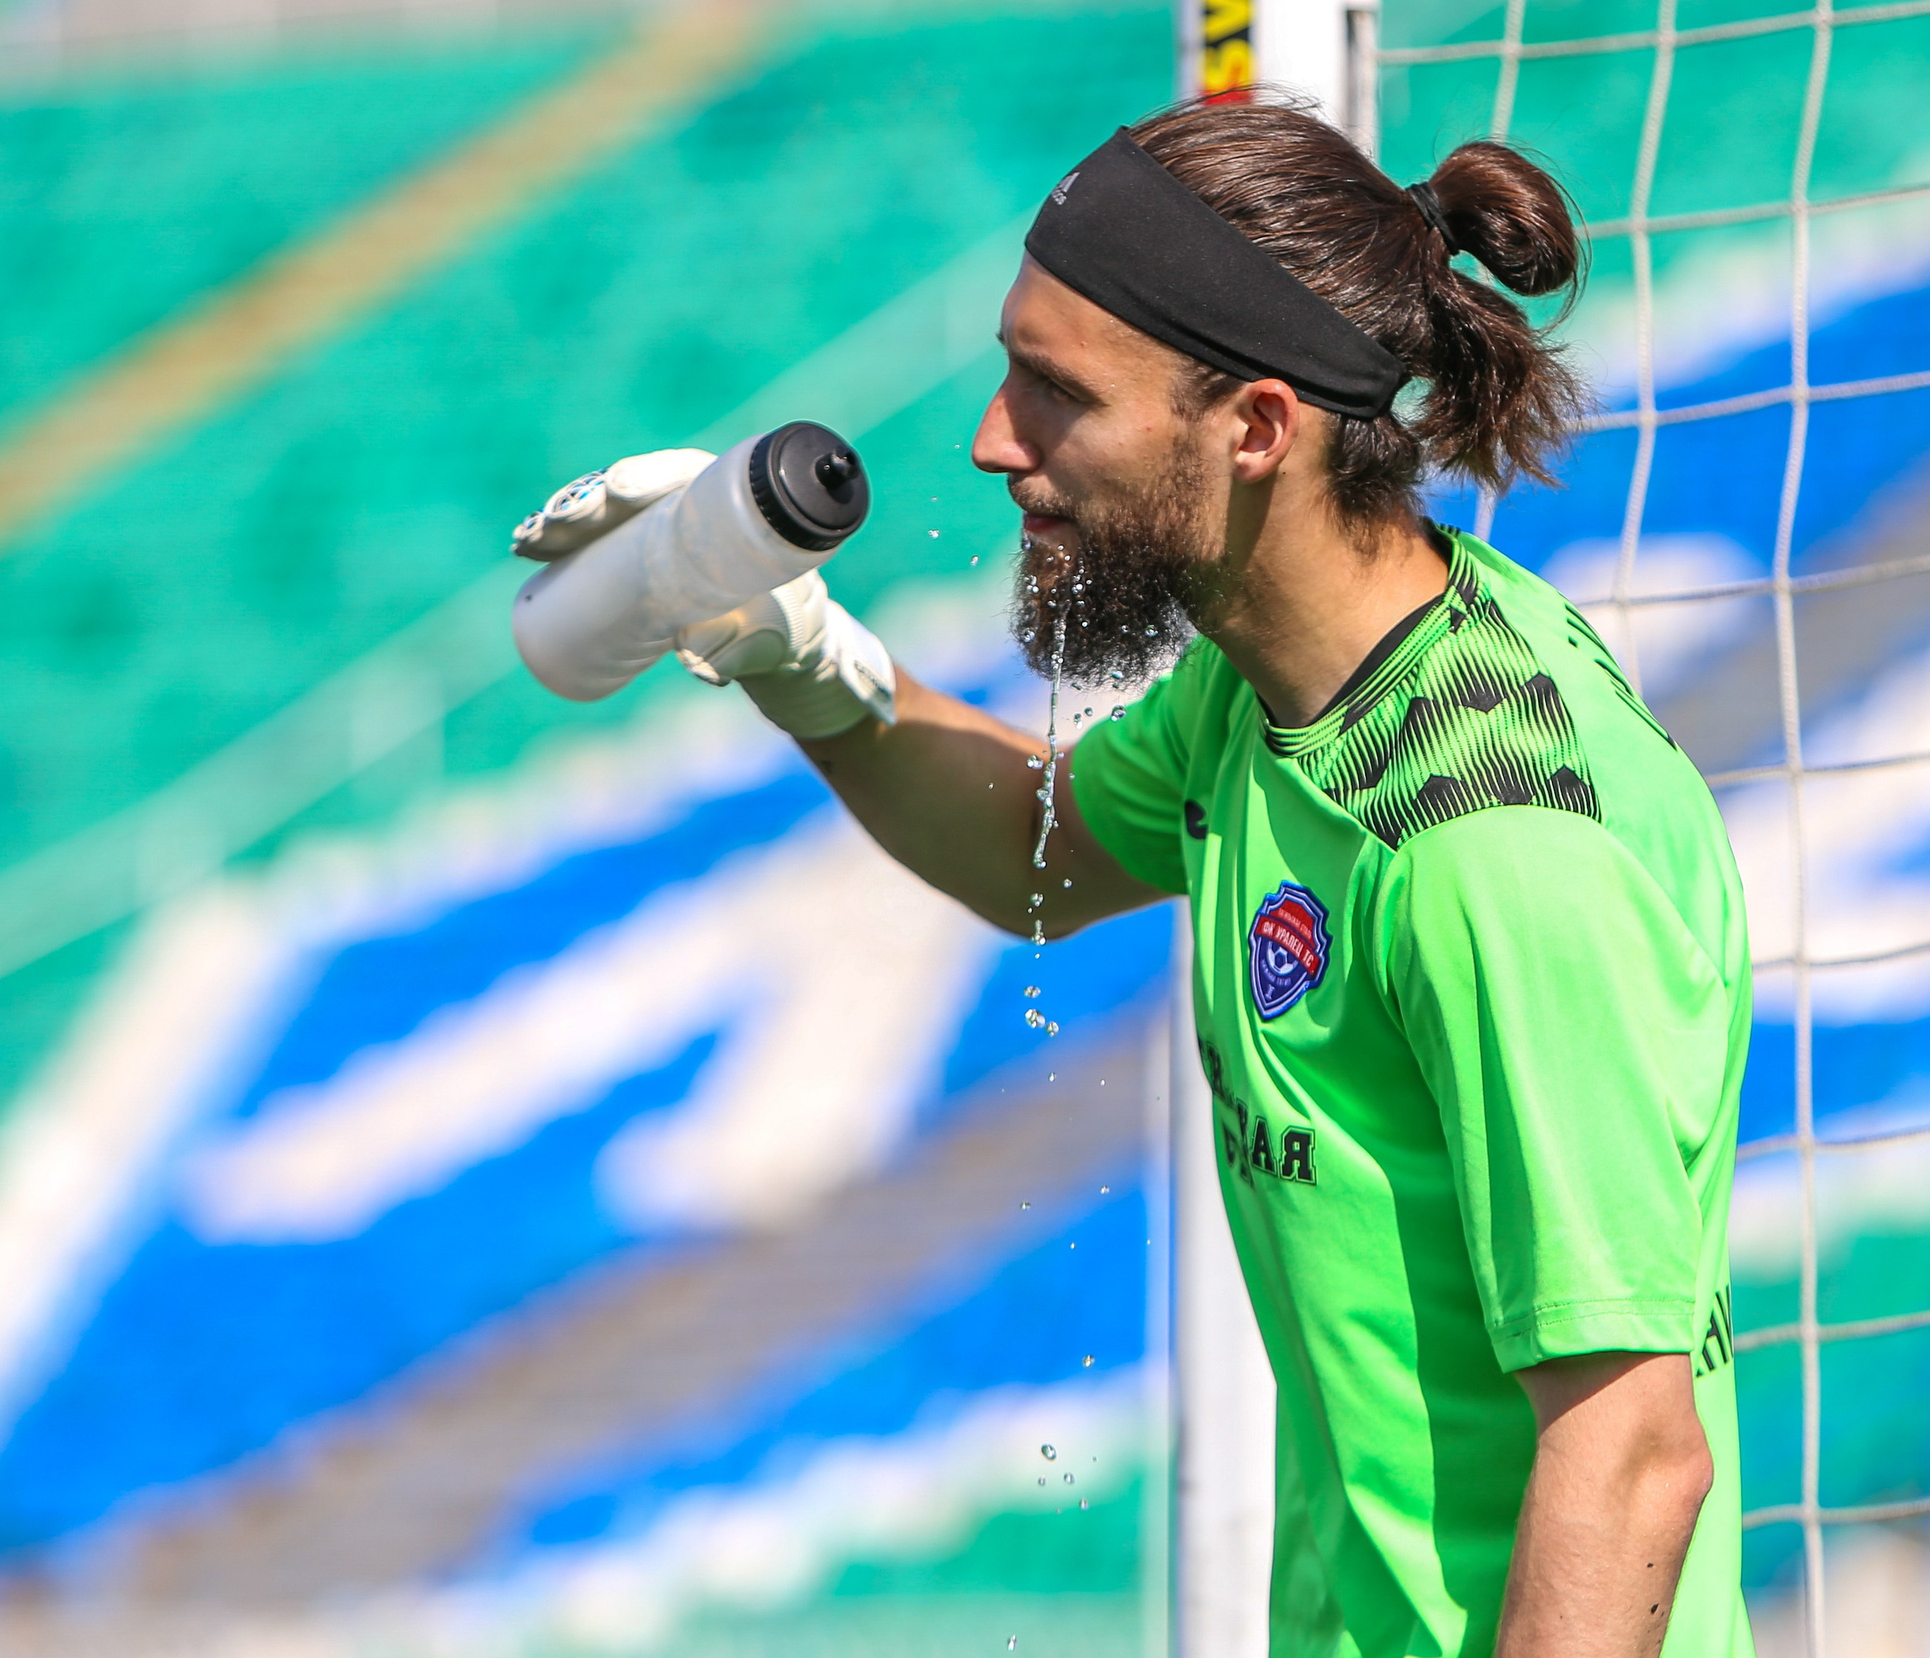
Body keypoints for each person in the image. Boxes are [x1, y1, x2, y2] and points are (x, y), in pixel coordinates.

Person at [546, 99, 1753, 1658]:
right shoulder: (1286, 685)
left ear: (1256, 426)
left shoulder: (1493, 850)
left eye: (1057, 394)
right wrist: (793, 643)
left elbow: (1632, 1454)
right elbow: (1026, 851)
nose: (994, 440)